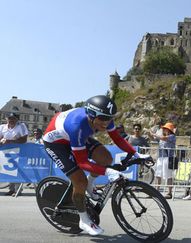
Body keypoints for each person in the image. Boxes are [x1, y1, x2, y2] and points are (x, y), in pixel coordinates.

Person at [42, 95, 141, 236]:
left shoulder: (103, 118)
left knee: (106, 158)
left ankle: (90, 184)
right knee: (79, 181)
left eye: (109, 118)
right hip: (56, 144)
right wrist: (108, 172)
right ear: (91, 115)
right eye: (103, 119)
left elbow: (117, 138)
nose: (106, 123)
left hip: (73, 136)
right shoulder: (77, 126)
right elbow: (82, 163)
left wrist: (135, 153)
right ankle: (83, 219)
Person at [0, 112, 29, 196]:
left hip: (19, 152)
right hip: (6, 153)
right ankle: (11, 189)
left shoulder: (21, 126)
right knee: (9, 171)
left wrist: (10, 141)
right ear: (6, 119)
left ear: (17, 120)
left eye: (13, 118)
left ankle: (18, 190)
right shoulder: (2, 127)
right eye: (9, 118)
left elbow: (24, 140)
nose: (11, 120)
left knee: (18, 172)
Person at [149, 122, 176, 199]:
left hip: (168, 157)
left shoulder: (172, 136)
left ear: (169, 130)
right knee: (158, 174)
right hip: (161, 157)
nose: (163, 130)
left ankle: (169, 192)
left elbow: (163, 138)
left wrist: (155, 134)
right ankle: (156, 191)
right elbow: (154, 139)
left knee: (168, 175)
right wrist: (149, 134)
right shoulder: (162, 136)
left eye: (165, 129)